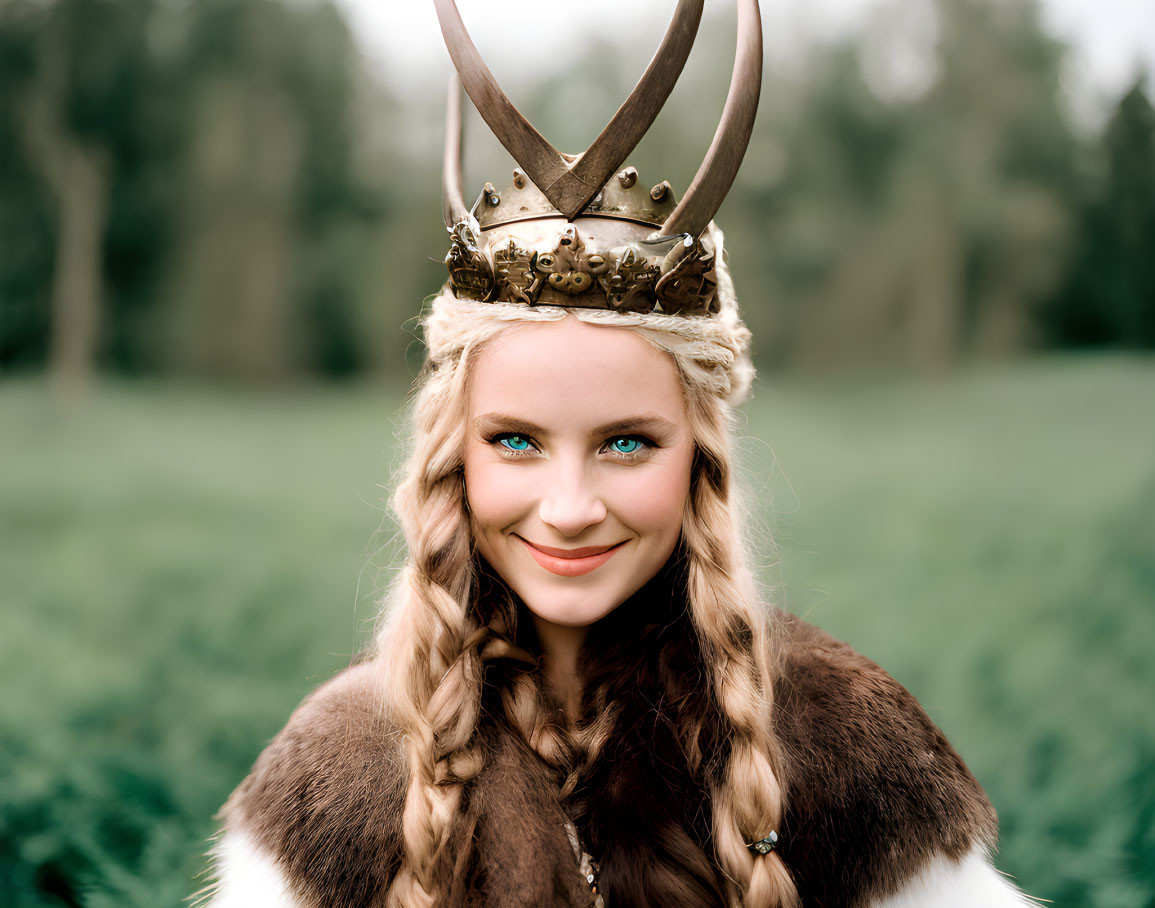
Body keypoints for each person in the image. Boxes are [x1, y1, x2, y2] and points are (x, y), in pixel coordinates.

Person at [200, 1, 1035, 905]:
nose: (568, 506)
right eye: (515, 440)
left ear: (698, 464)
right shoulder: (338, 775)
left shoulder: (842, 748)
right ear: (453, 459)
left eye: (626, 443)